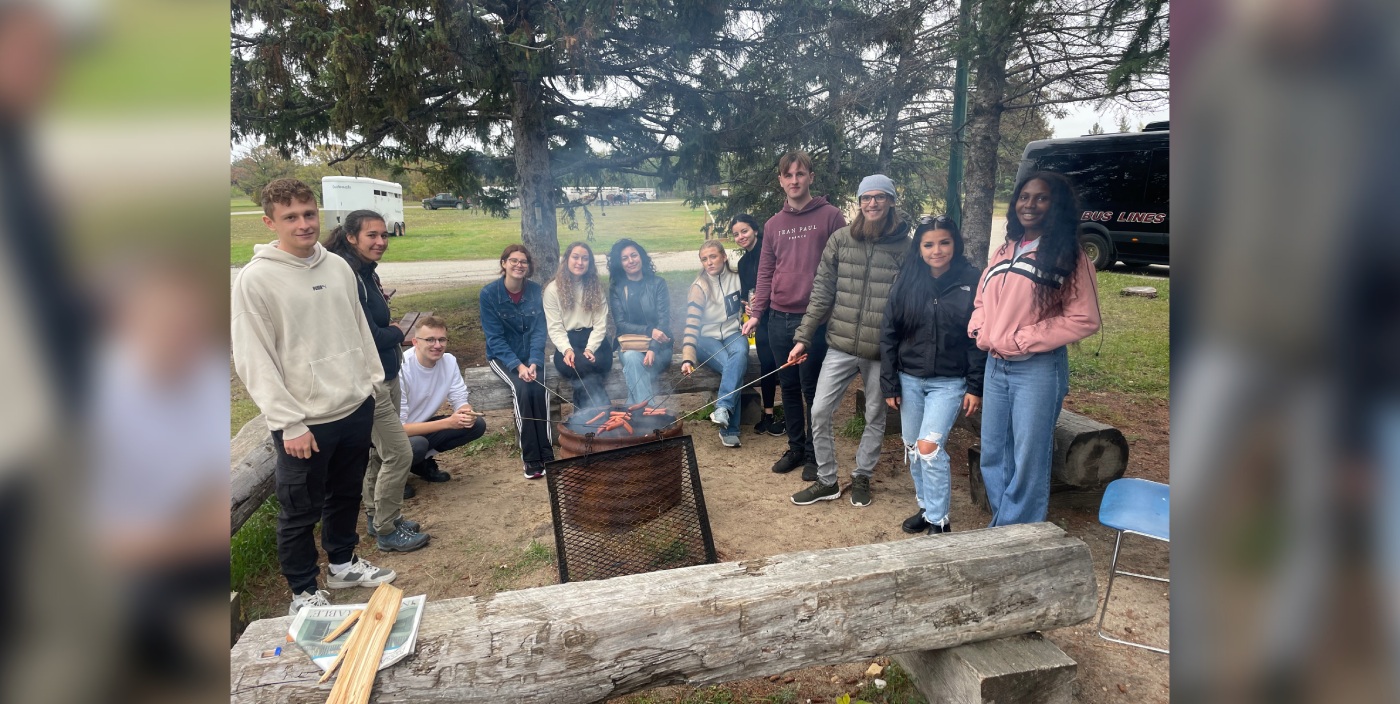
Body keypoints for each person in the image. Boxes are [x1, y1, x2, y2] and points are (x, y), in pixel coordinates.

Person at [231, 178, 396, 615]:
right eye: (290, 217)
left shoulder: (338, 267)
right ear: (270, 222)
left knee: (345, 495)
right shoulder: (256, 280)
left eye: (308, 214)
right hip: (306, 421)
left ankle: (342, 564)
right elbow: (254, 359)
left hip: (354, 404)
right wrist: (289, 422)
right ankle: (303, 592)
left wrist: (370, 382)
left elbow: (358, 329)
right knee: (300, 511)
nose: (303, 224)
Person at [969, 171, 1101, 526]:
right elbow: (982, 299)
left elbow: (1085, 318)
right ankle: (1005, 526)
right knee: (994, 453)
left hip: (1037, 369)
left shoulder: (1070, 257)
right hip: (995, 367)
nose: (1030, 204)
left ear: (1055, 205)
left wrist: (1023, 339)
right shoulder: (1004, 250)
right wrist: (981, 329)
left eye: (1041, 198)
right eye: (1024, 197)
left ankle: (1017, 534)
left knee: (1029, 457)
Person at [787, 175, 909, 508]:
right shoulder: (841, 239)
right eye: (866, 197)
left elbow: (908, 303)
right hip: (839, 344)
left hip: (880, 351)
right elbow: (822, 292)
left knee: (875, 415)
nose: (872, 203)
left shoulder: (905, 247)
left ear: (891, 201)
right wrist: (803, 337)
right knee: (820, 410)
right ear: (858, 202)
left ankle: (863, 475)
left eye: (880, 197)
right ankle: (827, 480)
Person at [322, 209, 429, 553]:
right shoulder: (346, 274)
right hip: (370, 381)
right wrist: (398, 331)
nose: (381, 241)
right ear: (351, 236)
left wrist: (391, 335)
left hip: (388, 373)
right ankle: (386, 529)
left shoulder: (366, 271)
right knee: (399, 453)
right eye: (372, 235)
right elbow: (366, 333)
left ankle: (377, 515)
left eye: (384, 235)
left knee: (380, 454)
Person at [742, 151, 847, 479]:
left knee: (813, 389)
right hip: (778, 318)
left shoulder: (831, 217)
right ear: (781, 181)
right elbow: (766, 272)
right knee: (786, 386)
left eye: (800, 174)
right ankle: (796, 447)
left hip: (815, 322)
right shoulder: (774, 225)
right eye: (788, 176)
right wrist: (757, 313)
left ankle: (817, 454)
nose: (794, 181)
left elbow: (842, 266)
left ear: (810, 177)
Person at [880, 216, 985, 534]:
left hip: (950, 382)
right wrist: (889, 382)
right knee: (913, 448)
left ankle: (940, 521)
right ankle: (926, 509)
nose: (937, 250)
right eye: (929, 244)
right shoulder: (907, 279)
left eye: (944, 242)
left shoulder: (972, 279)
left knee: (929, 448)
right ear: (919, 248)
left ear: (955, 244)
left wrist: (975, 386)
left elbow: (978, 338)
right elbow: (888, 333)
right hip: (909, 378)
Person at [480, 245, 554, 479]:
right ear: (504, 263)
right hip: (502, 357)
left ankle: (547, 453)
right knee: (522, 388)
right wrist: (518, 366)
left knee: (540, 388)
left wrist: (533, 361)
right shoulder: (489, 294)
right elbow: (495, 338)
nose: (519, 265)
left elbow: (539, 331)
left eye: (524, 262)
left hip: (530, 356)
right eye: (514, 260)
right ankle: (531, 458)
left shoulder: (534, 290)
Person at [398, 316, 488, 482]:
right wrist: (449, 423)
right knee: (416, 444)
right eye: (430, 340)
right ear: (415, 342)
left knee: (476, 425)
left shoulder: (449, 361)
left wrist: (465, 412)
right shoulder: (401, 368)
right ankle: (393, 479)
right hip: (392, 436)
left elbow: (459, 397)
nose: (437, 345)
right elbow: (399, 429)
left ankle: (419, 463)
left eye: (442, 339)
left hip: (422, 426)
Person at [680, 240, 748, 447]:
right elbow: (691, 325)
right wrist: (687, 357)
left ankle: (723, 412)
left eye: (713, 257)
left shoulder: (738, 278)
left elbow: (749, 304)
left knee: (740, 355)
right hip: (705, 338)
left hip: (732, 332)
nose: (709, 262)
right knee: (732, 364)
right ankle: (729, 427)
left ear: (724, 257)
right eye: (704, 259)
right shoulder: (699, 287)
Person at [544, 241, 614, 411]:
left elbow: (600, 324)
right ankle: (604, 413)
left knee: (587, 370)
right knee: (583, 368)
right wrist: (567, 350)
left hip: (597, 343)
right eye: (575, 257)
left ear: (589, 263)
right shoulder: (552, 290)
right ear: (566, 259)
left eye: (585, 259)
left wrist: (590, 349)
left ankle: (585, 423)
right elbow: (555, 328)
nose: (580, 262)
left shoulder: (595, 287)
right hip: (568, 344)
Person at [732, 214, 783, 438]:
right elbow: (746, 292)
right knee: (766, 363)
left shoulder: (768, 251)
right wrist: (747, 306)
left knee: (785, 365)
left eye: (744, 231)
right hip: (760, 319)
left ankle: (794, 415)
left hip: (780, 315)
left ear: (754, 229)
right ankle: (769, 414)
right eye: (736, 234)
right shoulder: (743, 262)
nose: (741, 236)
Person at [607, 239, 672, 405]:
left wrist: (653, 348)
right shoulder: (617, 289)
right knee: (631, 357)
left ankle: (636, 410)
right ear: (619, 263)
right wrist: (650, 330)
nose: (631, 261)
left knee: (634, 367)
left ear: (641, 257)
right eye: (625, 258)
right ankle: (648, 412)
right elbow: (620, 324)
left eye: (634, 255)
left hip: (660, 346)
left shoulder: (658, 284)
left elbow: (663, 321)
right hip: (629, 345)